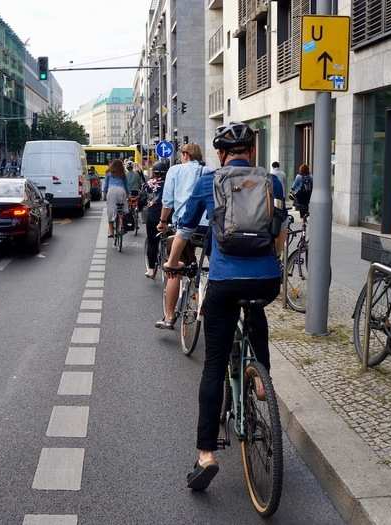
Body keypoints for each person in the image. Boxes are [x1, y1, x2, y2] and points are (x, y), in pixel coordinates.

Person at [164, 122, 285, 491]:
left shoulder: (207, 182)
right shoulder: (272, 182)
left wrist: (173, 262)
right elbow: (279, 232)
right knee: (256, 311)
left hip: (224, 281)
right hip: (266, 280)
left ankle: (206, 455)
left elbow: (186, 227)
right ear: (252, 151)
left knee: (214, 366)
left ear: (220, 154)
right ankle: (261, 382)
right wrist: (267, 263)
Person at [156, 143, 210, 330]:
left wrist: (163, 221)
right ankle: (207, 300)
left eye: (181, 155)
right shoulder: (209, 170)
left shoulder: (175, 170)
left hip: (184, 228)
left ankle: (169, 317)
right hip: (207, 228)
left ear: (185, 154)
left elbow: (168, 202)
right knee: (213, 266)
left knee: (174, 270)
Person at [144, 160, 170, 278]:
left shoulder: (149, 183)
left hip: (153, 216)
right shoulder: (170, 182)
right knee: (171, 239)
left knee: (152, 242)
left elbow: (142, 197)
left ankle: (150, 269)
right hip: (168, 215)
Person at [102, 159, 129, 238]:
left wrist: (104, 195)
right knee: (122, 210)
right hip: (121, 191)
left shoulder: (108, 173)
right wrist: (128, 194)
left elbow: (106, 185)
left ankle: (111, 233)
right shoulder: (123, 174)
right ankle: (122, 226)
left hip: (112, 191)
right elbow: (126, 186)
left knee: (110, 212)